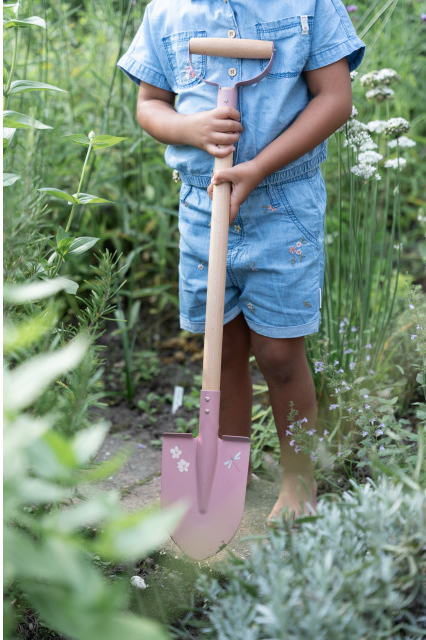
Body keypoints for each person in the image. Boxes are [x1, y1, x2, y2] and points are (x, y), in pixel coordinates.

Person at [118, 0, 365, 525]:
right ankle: (229, 475)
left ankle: (299, 480)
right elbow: (151, 104)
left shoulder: (309, 6)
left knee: (279, 353)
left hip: (284, 205)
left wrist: (255, 168)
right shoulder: (166, 13)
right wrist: (192, 129)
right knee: (221, 345)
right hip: (202, 206)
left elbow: (335, 99)